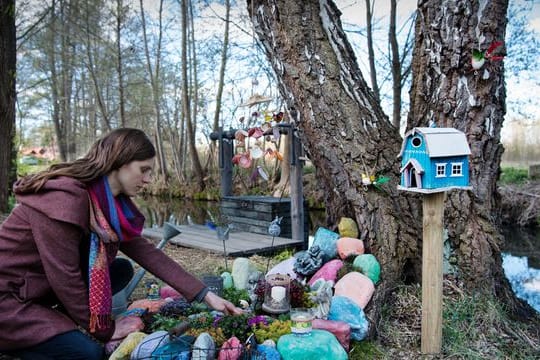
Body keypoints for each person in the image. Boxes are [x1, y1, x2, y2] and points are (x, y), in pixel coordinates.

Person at [0, 128, 243, 359]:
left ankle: (58, 324)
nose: (148, 179)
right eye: (144, 169)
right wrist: (105, 329)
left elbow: (148, 253)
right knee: (88, 354)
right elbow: (64, 276)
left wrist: (206, 295)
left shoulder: (106, 202)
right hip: (9, 301)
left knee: (120, 270)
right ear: (120, 162)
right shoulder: (66, 198)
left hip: (36, 289)